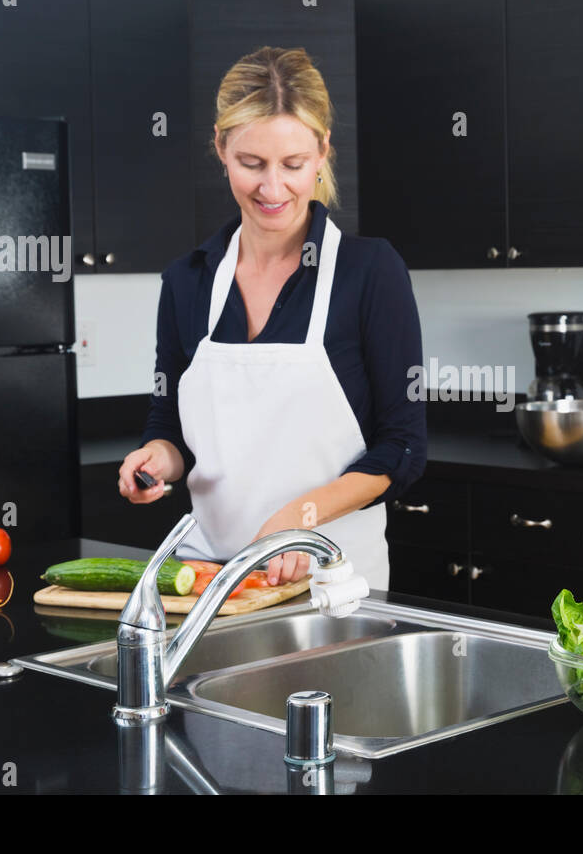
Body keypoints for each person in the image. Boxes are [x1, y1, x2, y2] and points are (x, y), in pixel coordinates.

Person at [117, 46, 426, 591]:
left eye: (293, 165)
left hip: (332, 581)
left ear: (323, 151)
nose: (273, 189)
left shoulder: (369, 272)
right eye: (251, 164)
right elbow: (172, 430)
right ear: (220, 147)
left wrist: (298, 520)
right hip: (210, 580)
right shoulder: (187, 280)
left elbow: (401, 448)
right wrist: (155, 461)